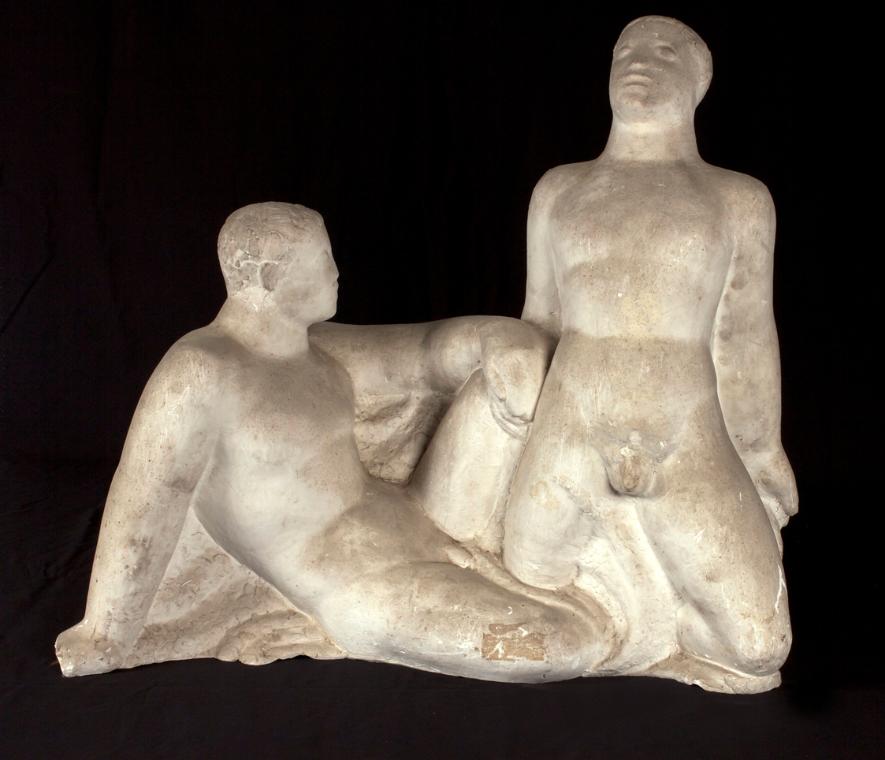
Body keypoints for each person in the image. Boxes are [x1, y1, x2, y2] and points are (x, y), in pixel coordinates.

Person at [55, 202, 613, 681]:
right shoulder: (202, 370)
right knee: (563, 646)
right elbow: (149, 494)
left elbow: (429, 356)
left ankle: (609, 540)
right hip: (367, 588)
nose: (336, 272)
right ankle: (353, 633)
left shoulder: (319, 351)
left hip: (430, 519)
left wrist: (502, 339)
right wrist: (105, 632)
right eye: (323, 260)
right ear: (270, 278)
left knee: (507, 376)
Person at [501, 16, 797, 692]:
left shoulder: (735, 198)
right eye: (625, 50)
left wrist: (760, 451)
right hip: (571, 423)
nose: (638, 61)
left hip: (682, 430)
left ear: (698, 81)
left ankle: (655, 619)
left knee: (757, 650)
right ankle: (625, 622)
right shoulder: (560, 188)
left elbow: (743, 334)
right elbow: (537, 321)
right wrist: (508, 430)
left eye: (664, 51)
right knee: (528, 577)